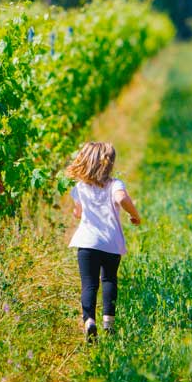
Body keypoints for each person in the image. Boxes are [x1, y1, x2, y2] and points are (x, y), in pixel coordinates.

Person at [66, 142, 141, 342]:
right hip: (110, 242)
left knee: (88, 284)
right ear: (109, 164)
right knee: (109, 280)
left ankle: (89, 321)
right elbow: (122, 198)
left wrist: (78, 212)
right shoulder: (115, 184)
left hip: (87, 243)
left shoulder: (80, 187)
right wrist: (134, 214)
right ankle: (109, 323)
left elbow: (78, 213)